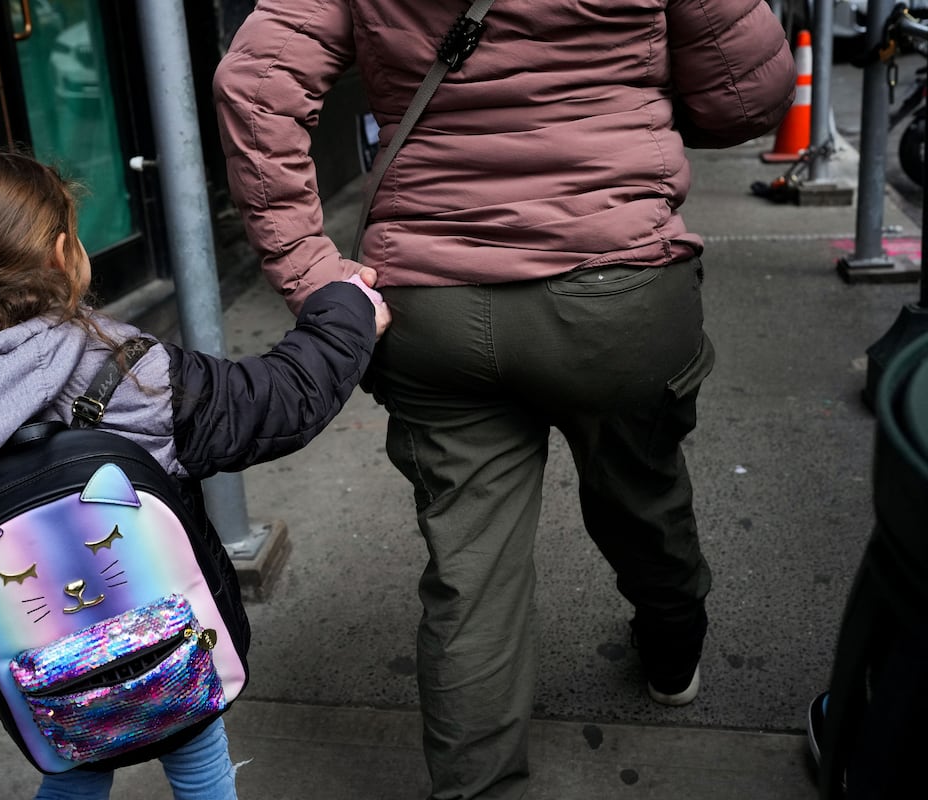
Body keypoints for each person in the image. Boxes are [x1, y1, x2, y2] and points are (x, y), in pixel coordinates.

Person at [213, 1, 795, 797]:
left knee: (471, 567)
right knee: (643, 488)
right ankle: (672, 651)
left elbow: (256, 83)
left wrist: (313, 273)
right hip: (617, 282)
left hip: (431, 302)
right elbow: (747, 97)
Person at [0, 149, 390, 800]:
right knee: (201, 770)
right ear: (61, 255)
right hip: (163, 645)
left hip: (48, 669)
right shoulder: (126, 369)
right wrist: (347, 308)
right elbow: (277, 400)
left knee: (74, 773)